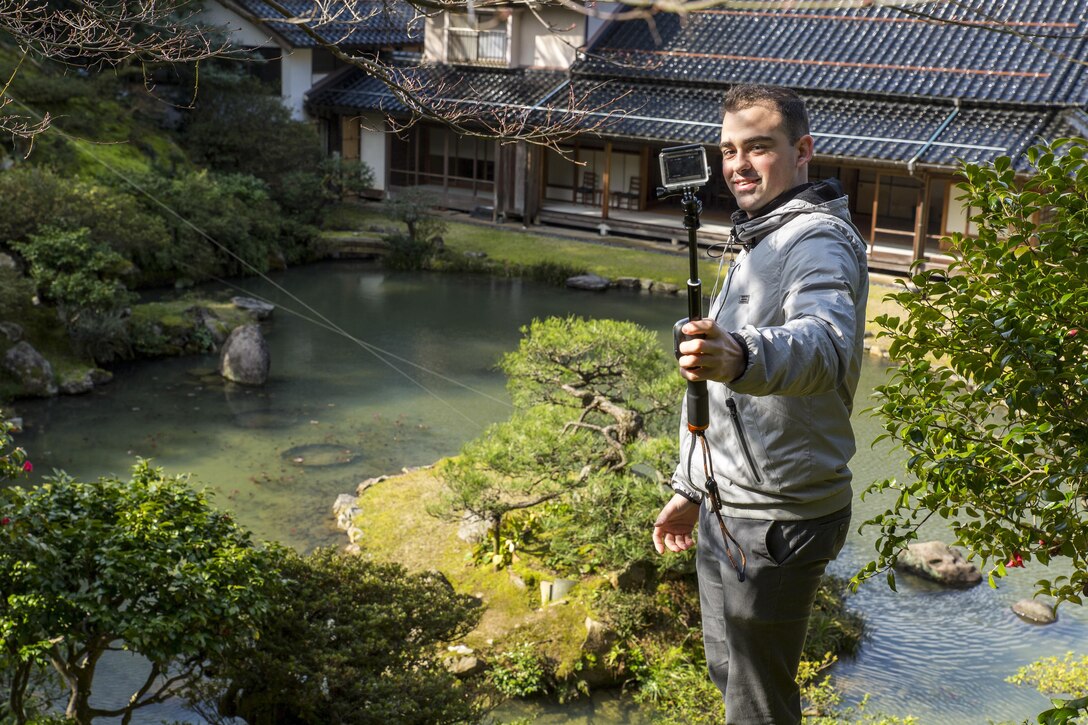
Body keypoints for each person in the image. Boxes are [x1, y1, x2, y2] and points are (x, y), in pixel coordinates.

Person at [652, 84, 870, 724]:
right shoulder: (759, 238)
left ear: (802, 151)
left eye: (758, 147)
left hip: (779, 516)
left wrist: (743, 354)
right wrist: (692, 488)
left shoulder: (816, 241)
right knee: (732, 675)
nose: (738, 164)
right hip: (729, 503)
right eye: (727, 150)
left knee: (757, 703)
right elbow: (723, 400)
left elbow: (824, 344)